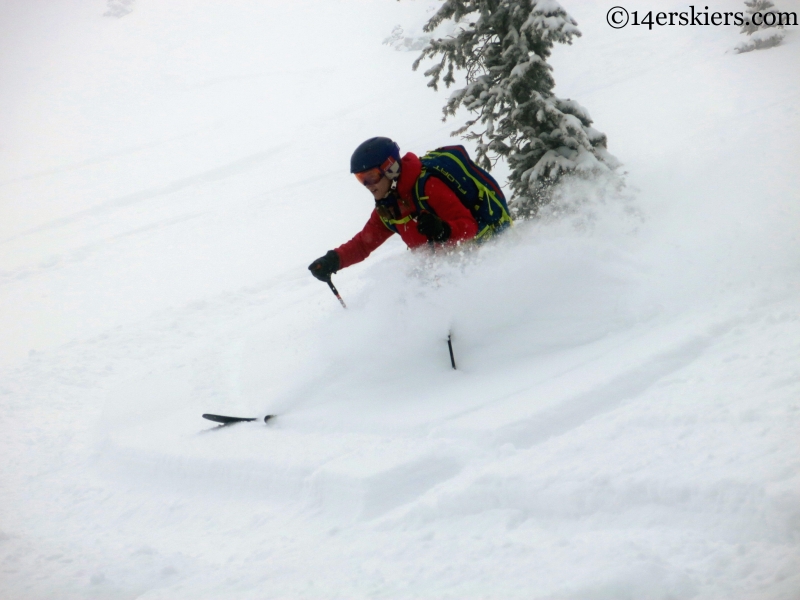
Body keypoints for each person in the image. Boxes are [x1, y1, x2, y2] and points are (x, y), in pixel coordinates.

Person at [308, 137, 480, 282]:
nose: (368, 185)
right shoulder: (387, 209)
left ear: (390, 169)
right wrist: (334, 260)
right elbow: (363, 244)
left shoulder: (428, 188)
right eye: (361, 179)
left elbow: (470, 226)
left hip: (472, 263)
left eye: (372, 176)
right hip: (437, 274)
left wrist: (443, 230)